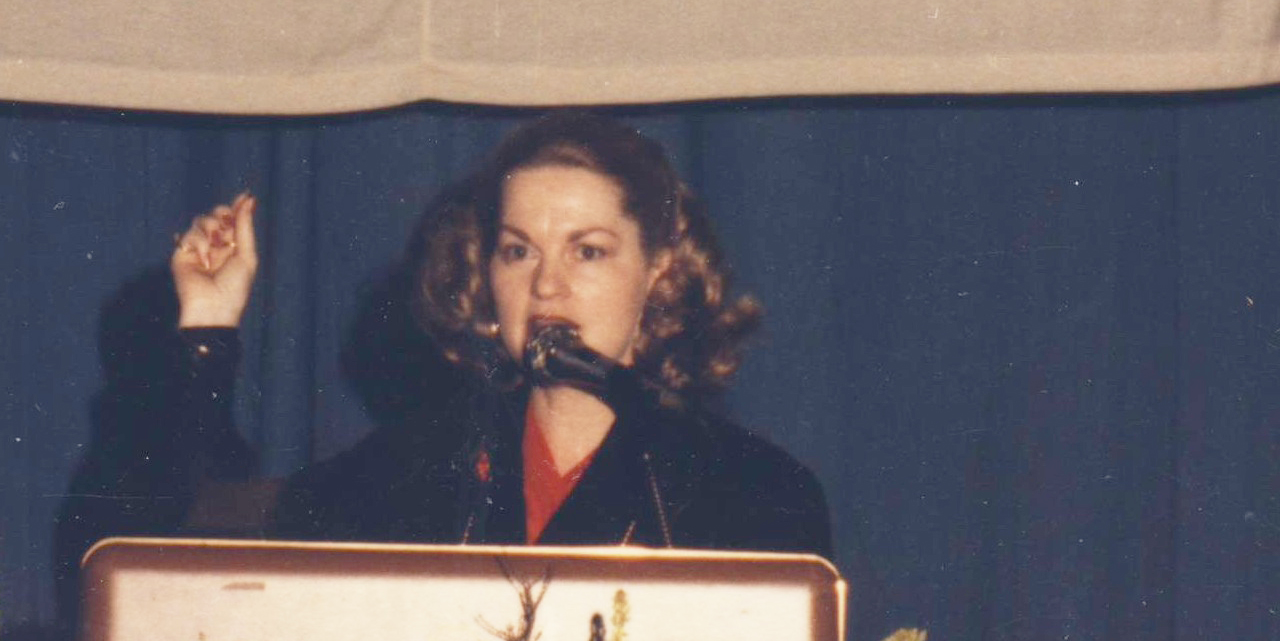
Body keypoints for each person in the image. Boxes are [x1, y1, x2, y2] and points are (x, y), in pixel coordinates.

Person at [164, 115, 833, 557]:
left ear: (659, 271)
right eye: (518, 251)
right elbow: (211, 531)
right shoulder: (416, 464)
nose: (547, 284)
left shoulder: (755, 492)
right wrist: (207, 333)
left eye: (588, 251)